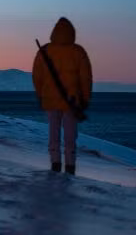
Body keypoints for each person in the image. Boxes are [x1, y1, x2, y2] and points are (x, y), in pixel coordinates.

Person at [32, 17, 93, 175]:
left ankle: (55, 164)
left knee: (54, 134)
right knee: (70, 137)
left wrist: (41, 96)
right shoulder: (78, 51)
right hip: (71, 101)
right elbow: (85, 78)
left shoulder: (45, 50)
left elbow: (37, 77)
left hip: (50, 100)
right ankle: (70, 167)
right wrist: (85, 99)